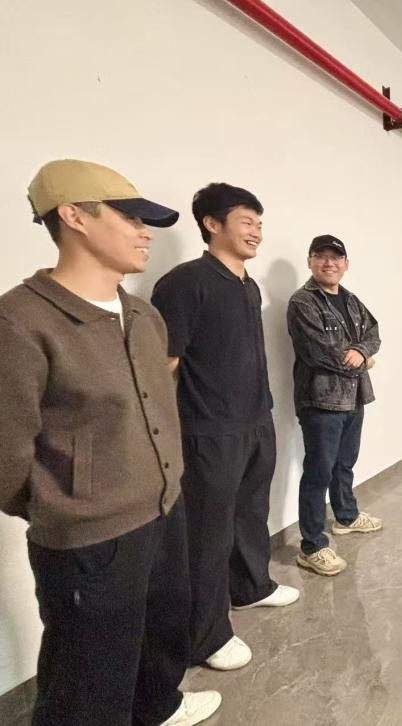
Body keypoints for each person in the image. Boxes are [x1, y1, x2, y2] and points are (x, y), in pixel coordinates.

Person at [0, 159, 219, 725]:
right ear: (74, 216)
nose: (146, 233)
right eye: (131, 218)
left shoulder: (144, 315)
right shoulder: (20, 321)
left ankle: (158, 709)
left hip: (164, 510)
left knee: (160, 636)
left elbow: (159, 407)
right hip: (89, 538)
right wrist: (69, 501)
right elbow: (5, 455)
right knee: (88, 678)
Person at [152, 183, 299, 673]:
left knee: (251, 513)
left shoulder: (247, 285)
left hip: (256, 421)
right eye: (246, 221)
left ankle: (251, 586)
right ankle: (206, 636)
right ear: (212, 224)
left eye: (259, 223)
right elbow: (164, 365)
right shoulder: (183, 283)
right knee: (208, 535)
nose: (256, 231)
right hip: (209, 430)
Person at [287, 234, 383, 578]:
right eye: (321, 256)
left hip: (354, 398)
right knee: (319, 471)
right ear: (310, 261)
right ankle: (312, 546)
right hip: (322, 400)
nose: (329, 263)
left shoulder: (351, 300)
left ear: (346, 263)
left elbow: (373, 333)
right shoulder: (303, 302)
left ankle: (346, 516)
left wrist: (363, 351)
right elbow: (320, 352)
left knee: (345, 463)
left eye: (336, 257)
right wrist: (364, 361)